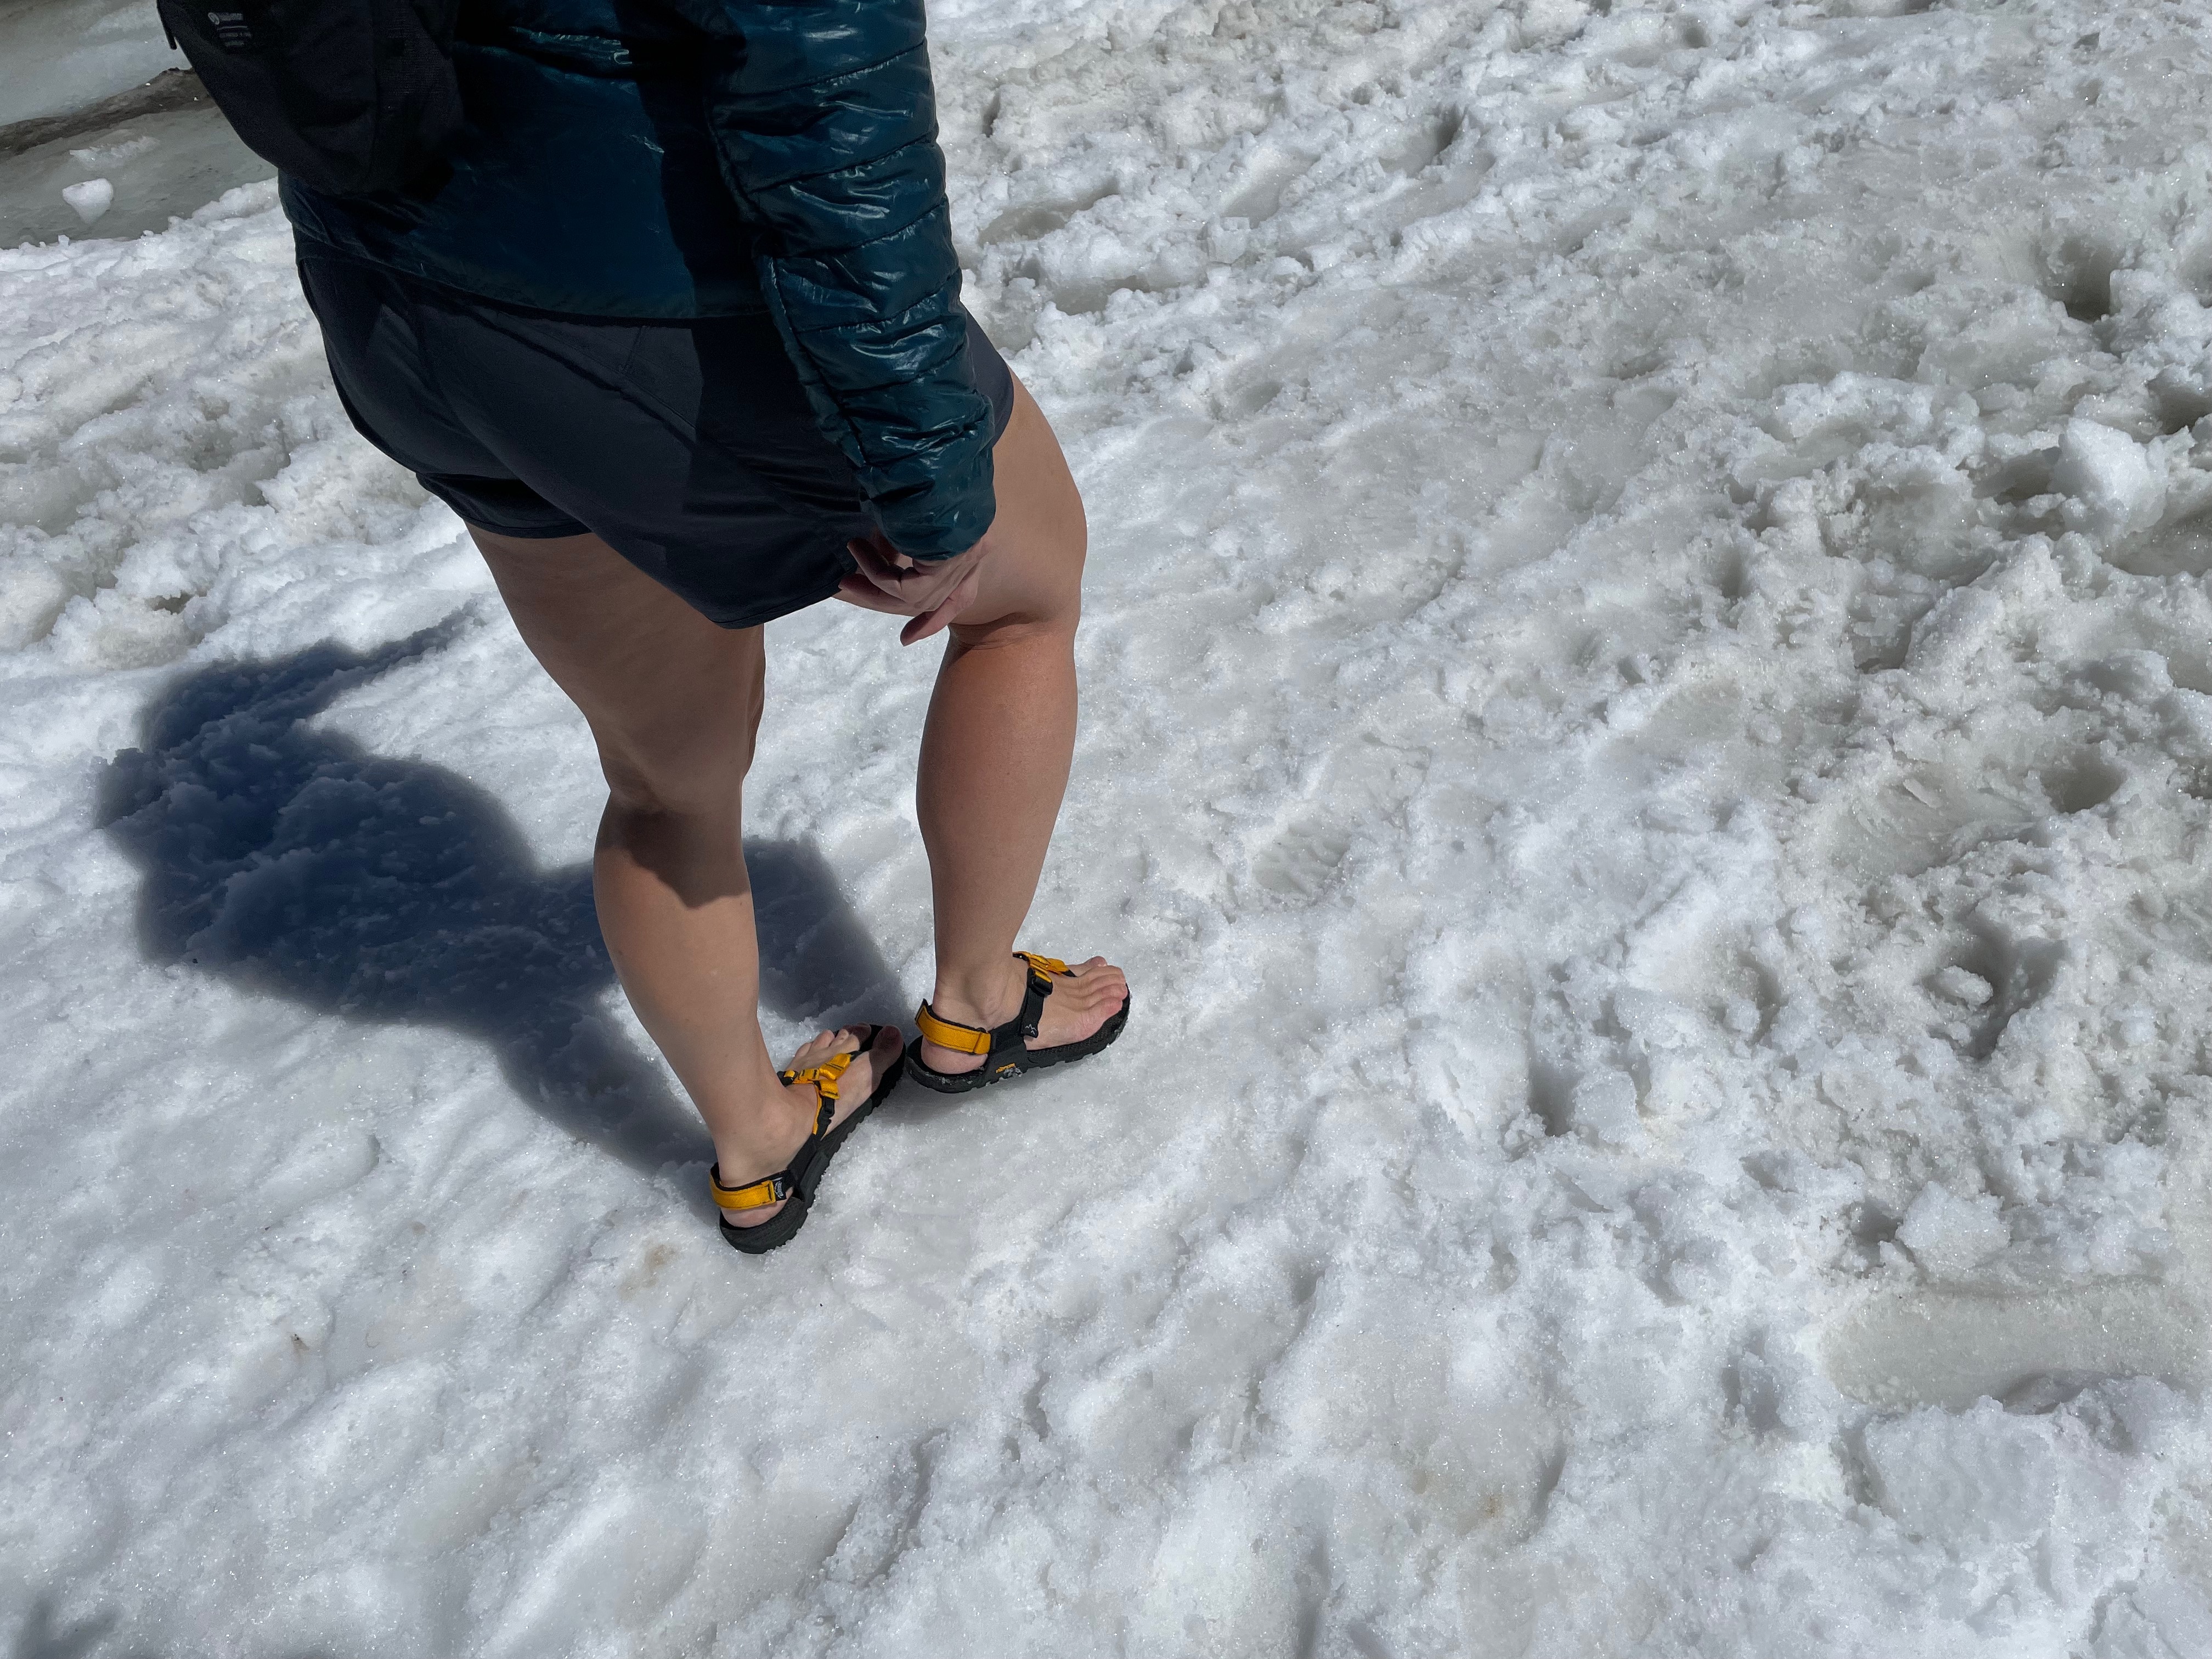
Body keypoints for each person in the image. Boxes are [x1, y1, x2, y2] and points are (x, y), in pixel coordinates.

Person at [279, 0, 1130, 1252]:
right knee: (1020, 596)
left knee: (664, 779)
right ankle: (980, 1005)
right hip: (655, 300)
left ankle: (757, 1144)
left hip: (406, 306)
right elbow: (830, 92)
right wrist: (933, 482)